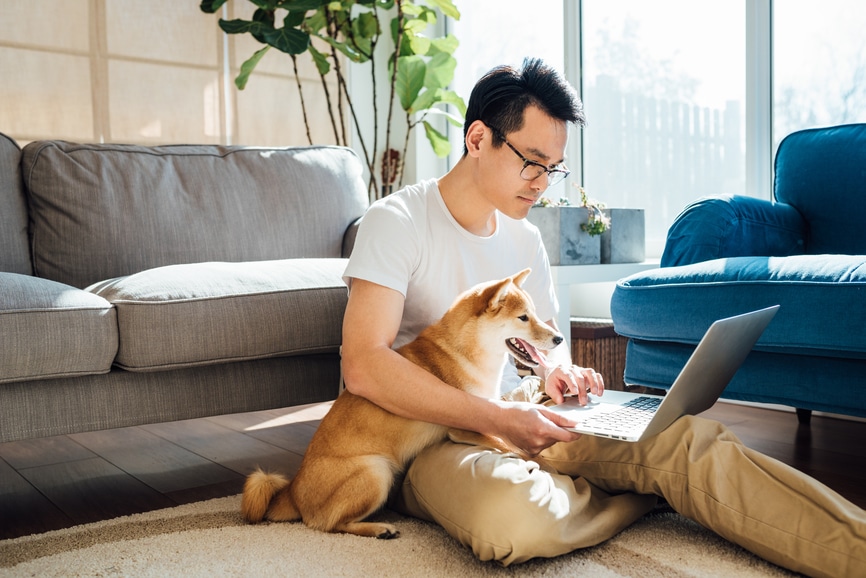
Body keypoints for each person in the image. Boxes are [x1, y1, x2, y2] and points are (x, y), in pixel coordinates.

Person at [340, 58, 865, 578]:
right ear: (478, 139)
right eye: (532, 162)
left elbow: (544, 351)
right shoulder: (397, 222)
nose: (543, 182)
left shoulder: (524, 237)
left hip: (525, 413)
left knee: (686, 443)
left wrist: (556, 374)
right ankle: (639, 492)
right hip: (428, 434)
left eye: (554, 167)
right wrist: (496, 419)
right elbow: (364, 364)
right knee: (513, 522)